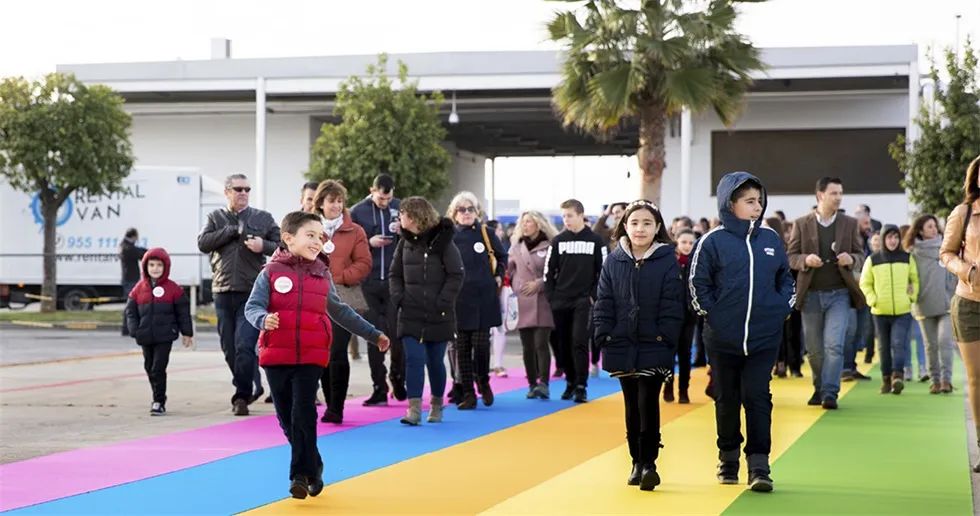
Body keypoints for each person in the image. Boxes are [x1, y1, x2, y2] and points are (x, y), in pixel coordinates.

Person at [244, 211, 390, 499]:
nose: (317, 241)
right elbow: (252, 307)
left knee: (304, 413)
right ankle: (315, 464)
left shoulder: (322, 273)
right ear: (288, 239)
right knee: (287, 418)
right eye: (310, 235)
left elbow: (341, 311)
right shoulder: (269, 273)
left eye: (320, 236)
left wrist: (374, 334)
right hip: (276, 354)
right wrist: (263, 319)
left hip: (312, 355)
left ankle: (299, 475)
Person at [690, 172, 796, 493]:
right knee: (726, 398)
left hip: (764, 338)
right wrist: (716, 316)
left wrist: (780, 309)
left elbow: (785, 279)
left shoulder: (770, 240)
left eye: (759, 201)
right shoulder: (712, 241)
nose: (756, 206)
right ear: (730, 203)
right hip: (722, 338)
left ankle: (760, 465)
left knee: (758, 397)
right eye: (749, 201)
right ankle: (728, 458)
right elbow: (698, 285)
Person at [594, 200, 683, 491]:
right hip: (621, 342)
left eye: (647, 223)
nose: (640, 228)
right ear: (625, 227)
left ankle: (649, 463)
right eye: (634, 223)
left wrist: (666, 336)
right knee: (631, 403)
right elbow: (604, 301)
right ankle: (635, 461)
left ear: (657, 227)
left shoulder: (667, 260)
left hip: (654, 343)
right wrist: (604, 334)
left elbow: (673, 304)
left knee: (648, 400)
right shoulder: (613, 260)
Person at [198, 173, 280, 416]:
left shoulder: (262, 218)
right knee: (229, 349)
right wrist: (230, 231)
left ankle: (241, 396)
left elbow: (282, 245)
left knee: (244, 345)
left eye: (247, 189)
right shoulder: (215, 217)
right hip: (222, 290)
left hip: (251, 292)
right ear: (227, 192)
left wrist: (262, 246)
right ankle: (250, 384)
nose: (243, 193)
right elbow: (203, 243)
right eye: (238, 189)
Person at [787, 177, 865, 410]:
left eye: (840, 193)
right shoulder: (801, 223)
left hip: (839, 294)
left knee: (834, 345)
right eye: (834, 193)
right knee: (814, 349)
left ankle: (830, 392)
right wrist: (805, 260)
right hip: (810, 294)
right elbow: (791, 256)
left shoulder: (849, 223)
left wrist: (851, 259)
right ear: (820, 195)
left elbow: (861, 255)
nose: (839, 197)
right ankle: (819, 387)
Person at [388, 197, 464, 425]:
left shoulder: (444, 242)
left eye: (402, 214)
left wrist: (443, 302)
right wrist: (399, 298)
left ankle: (437, 405)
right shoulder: (404, 243)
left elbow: (456, 274)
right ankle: (413, 410)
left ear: (413, 216)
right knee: (413, 359)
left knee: (434, 362)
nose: (399, 219)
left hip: (439, 314)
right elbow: (394, 274)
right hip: (410, 312)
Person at [312, 180, 372, 424]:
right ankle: (328, 400)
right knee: (321, 353)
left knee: (337, 351)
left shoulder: (355, 230)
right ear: (321, 204)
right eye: (331, 201)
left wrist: (338, 277)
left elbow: (364, 263)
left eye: (339, 201)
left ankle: (336, 407)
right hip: (313, 297)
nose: (336, 206)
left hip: (344, 298)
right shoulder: (309, 227)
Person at [447, 192, 507, 409]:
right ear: (454, 213)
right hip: (458, 299)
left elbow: (502, 256)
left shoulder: (486, 232)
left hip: (483, 296)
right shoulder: (449, 236)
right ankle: (468, 393)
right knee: (461, 348)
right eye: (461, 210)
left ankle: (483, 381)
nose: (466, 213)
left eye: (470, 209)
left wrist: (499, 273)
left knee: (481, 347)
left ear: (477, 211)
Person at [545, 199, 607, 403]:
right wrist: (552, 297)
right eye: (563, 216)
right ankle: (570, 381)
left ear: (581, 215)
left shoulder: (596, 241)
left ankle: (581, 385)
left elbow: (604, 272)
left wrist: (593, 296)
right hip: (560, 300)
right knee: (562, 344)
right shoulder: (558, 241)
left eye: (569, 215)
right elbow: (548, 271)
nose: (566, 220)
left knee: (579, 342)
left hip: (584, 300)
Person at [940, 156, 980, 472]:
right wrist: (967, 271)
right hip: (969, 303)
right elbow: (946, 253)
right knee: (976, 378)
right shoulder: (964, 213)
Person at [350, 173, 404, 406]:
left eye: (388, 198)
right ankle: (379, 387)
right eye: (381, 198)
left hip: (393, 282)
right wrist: (369, 243)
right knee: (374, 336)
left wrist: (405, 231)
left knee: (397, 334)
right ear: (372, 190)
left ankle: (397, 377)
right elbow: (350, 243)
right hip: (369, 283)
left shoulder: (400, 207)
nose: (385, 202)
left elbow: (415, 237)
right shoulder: (358, 211)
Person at [124, 248, 194, 415]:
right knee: (149, 367)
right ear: (145, 267)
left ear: (166, 267)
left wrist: (187, 333)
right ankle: (156, 395)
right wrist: (134, 329)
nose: (155, 268)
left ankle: (159, 400)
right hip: (145, 335)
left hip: (165, 336)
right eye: (151, 265)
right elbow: (130, 311)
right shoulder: (139, 288)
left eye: (159, 265)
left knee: (158, 368)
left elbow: (183, 313)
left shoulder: (173, 289)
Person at [860, 225, 919, 394]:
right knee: (884, 348)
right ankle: (886, 379)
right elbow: (865, 283)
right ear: (884, 239)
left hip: (902, 311)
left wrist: (911, 297)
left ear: (899, 239)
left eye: (895, 237)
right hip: (879, 312)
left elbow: (914, 280)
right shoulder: (873, 259)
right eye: (889, 237)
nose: (892, 241)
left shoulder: (907, 258)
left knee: (899, 343)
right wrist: (873, 300)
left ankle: (897, 377)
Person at [508, 210, 559, 399]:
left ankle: (543, 383)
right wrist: (517, 286)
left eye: (529, 221)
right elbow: (509, 272)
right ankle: (531, 383)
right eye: (523, 222)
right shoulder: (515, 248)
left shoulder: (551, 246)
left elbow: (556, 272)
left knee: (541, 343)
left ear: (539, 224)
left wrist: (540, 284)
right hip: (523, 300)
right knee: (527, 346)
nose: (525, 225)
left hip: (543, 300)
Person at [905, 214, 957, 394]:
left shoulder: (947, 248)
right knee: (930, 345)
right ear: (920, 230)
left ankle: (946, 380)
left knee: (944, 341)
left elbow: (954, 273)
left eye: (935, 226)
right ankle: (934, 380)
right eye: (929, 227)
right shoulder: (913, 254)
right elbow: (909, 279)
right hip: (923, 305)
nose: (934, 229)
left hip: (946, 304)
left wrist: (952, 292)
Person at [663, 228, 696, 404]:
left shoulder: (696, 263)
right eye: (684, 242)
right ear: (676, 242)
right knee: (669, 354)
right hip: (670, 316)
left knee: (685, 354)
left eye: (691, 243)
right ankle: (668, 386)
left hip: (689, 316)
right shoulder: (668, 262)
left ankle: (684, 390)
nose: (687, 246)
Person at [119, 228, 147, 336]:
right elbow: (139, 253)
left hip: (129, 278)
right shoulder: (127, 247)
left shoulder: (124, 245)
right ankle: (126, 328)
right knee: (131, 305)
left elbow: (138, 250)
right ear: (134, 236)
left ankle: (129, 328)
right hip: (130, 279)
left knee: (132, 304)